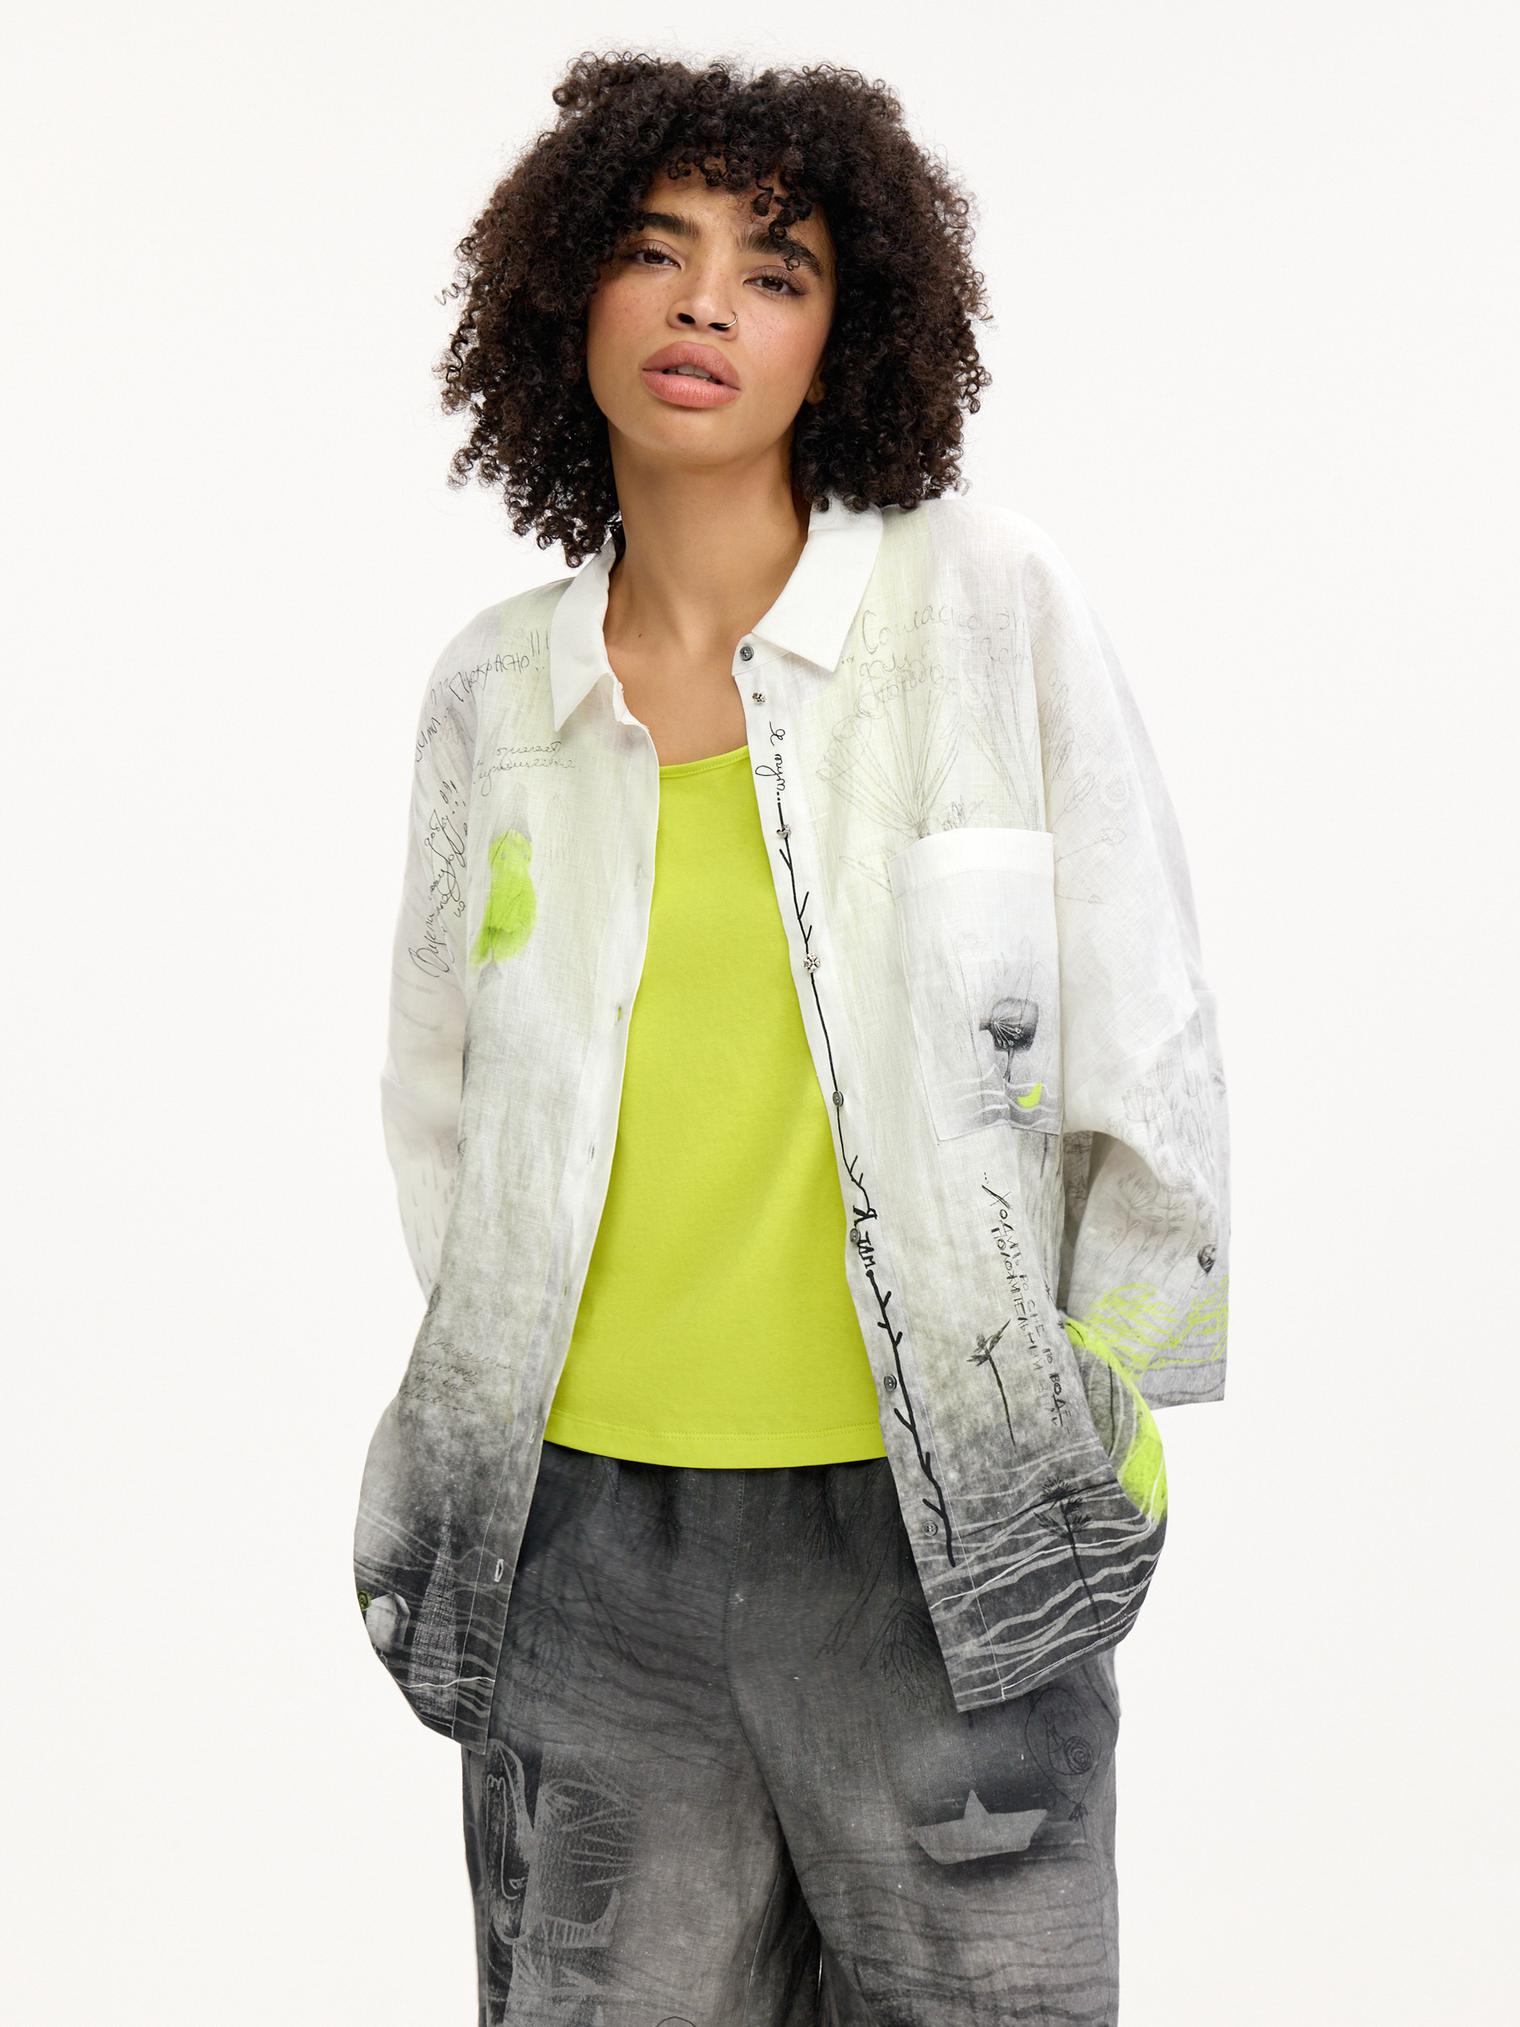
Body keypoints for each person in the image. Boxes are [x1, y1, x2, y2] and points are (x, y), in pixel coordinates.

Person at [353, 51, 1230, 2027]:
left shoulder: (978, 604)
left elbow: (1146, 1018)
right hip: (590, 1548)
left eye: (775, 271)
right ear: (564, 291)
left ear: (847, 335)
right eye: (653, 252)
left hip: (940, 1543)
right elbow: (442, 1108)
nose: (703, 307)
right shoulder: (492, 694)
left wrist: (1098, 1411)